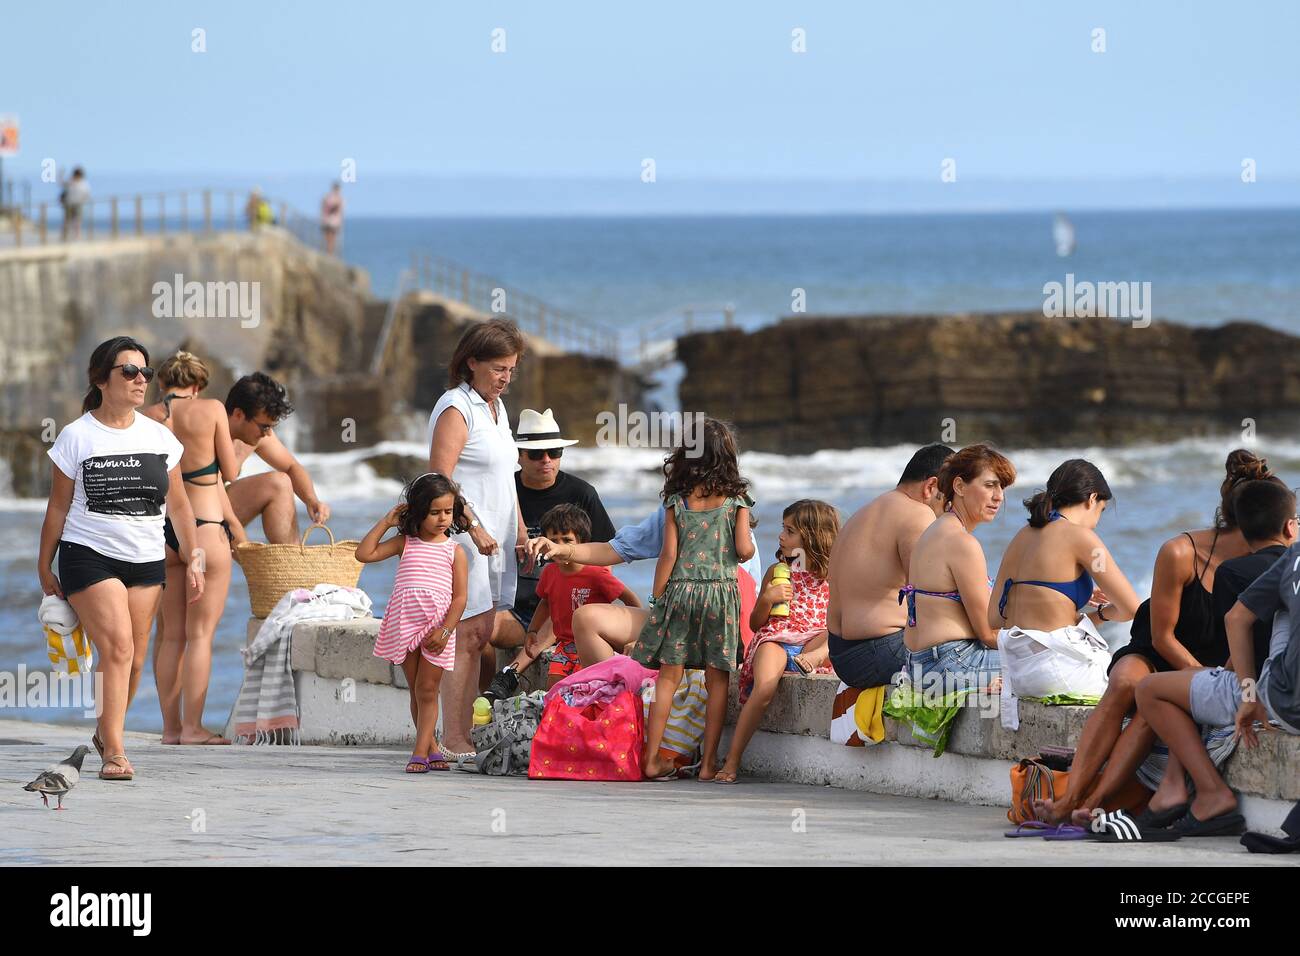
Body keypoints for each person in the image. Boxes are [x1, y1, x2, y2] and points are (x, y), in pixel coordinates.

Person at [1032, 450, 1266, 824]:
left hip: (1207, 666)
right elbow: (1161, 637)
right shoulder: (1180, 551)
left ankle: (1090, 802)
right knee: (1126, 682)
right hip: (1156, 648)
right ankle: (1069, 795)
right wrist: (1198, 679)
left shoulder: (1269, 561)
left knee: (1149, 709)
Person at [37, 336, 205, 781]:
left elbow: (181, 506)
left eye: (145, 372)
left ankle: (104, 730)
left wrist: (195, 555)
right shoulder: (76, 436)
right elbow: (57, 506)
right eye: (128, 371)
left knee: (133, 658)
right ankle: (115, 750)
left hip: (146, 558)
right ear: (101, 379)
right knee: (119, 647)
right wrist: (43, 564)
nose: (140, 380)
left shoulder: (159, 436)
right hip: (88, 555)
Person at [1129, 479, 1298, 835]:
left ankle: (1209, 792)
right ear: (1288, 526)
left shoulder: (1289, 562)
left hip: (1282, 700)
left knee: (1150, 689)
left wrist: (1248, 695)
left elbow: (1237, 619)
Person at [427, 318, 528, 761]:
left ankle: (464, 731)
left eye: (511, 370)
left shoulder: (497, 409)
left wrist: (521, 533)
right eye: (498, 368)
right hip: (466, 540)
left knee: (481, 632)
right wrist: (474, 526)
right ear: (471, 362)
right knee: (465, 634)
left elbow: (507, 480)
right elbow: (438, 480)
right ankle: (454, 738)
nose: (505, 378)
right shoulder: (456, 407)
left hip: (497, 540)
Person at [632, 418, 755, 781]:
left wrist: (657, 599)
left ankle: (652, 759)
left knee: (668, 677)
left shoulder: (677, 499)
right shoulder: (738, 500)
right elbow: (745, 550)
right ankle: (708, 764)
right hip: (720, 593)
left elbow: (668, 555)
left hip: (681, 592)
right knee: (718, 679)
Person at [141, 351, 248, 745]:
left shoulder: (150, 415)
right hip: (204, 527)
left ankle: (170, 729)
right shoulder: (212, 409)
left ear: (163, 382)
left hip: (161, 531)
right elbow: (231, 473)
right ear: (198, 384)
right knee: (200, 635)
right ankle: (193, 728)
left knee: (171, 636)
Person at [481, 407, 615, 693]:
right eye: (536, 454)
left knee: (561, 605)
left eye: (554, 452)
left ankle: (510, 676)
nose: (546, 460)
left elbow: (606, 557)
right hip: (514, 607)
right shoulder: (504, 490)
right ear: (518, 456)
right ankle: (483, 700)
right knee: (478, 632)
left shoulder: (582, 494)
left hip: (569, 606)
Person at [989, 460, 1140, 695]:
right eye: (1101, 510)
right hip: (1057, 672)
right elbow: (1131, 608)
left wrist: (1058, 598)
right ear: (1092, 499)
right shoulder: (1082, 538)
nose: (1097, 521)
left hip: (1017, 675)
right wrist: (1098, 615)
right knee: (1142, 684)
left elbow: (995, 617)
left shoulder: (1020, 537)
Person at [719, 498, 840, 784]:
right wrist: (768, 599)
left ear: (812, 536)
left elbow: (841, 618)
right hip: (777, 638)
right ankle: (733, 760)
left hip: (813, 641)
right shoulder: (777, 571)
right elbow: (755, 623)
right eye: (783, 529)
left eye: (790, 531)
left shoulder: (833, 575)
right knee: (764, 689)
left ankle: (813, 657)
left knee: (836, 631)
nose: (781, 537)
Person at [356, 473, 469, 773]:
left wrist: (445, 631)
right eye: (434, 513)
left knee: (429, 690)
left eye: (447, 512)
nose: (443, 518)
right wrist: (386, 521)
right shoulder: (405, 542)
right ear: (417, 512)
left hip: (437, 628)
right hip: (405, 624)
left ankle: (419, 751)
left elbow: (460, 599)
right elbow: (363, 553)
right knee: (417, 690)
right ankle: (431, 747)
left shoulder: (454, 551)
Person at [826, 443, 953, 689]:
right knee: (987, 658)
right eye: (950, 500)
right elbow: (929, 597)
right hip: (877, 652)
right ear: (931, 487)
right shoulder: (918, 514)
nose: (950, 510)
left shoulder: (864, 513)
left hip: (841, 653)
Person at [901, 443, 1016, 691]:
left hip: (919, 664)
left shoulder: (934, 530)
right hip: (951, 665)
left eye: (1002, 487)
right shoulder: (962, 543)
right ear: (960, 486)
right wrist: (1041, 641)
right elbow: (987, 634)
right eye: (989, 485)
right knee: (1057, 662)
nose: (999, 496)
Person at [492, 505, 640, 696]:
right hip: (564, 645)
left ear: (581, 542)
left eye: (567, 540)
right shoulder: (550, 573)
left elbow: (631, 600)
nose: (559, 546)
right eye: (554, 541)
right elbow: (545, 603)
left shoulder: (597, 573)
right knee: (554, 691)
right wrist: (533, 631)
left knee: (588, 690)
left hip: (590, 644)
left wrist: (637, 635)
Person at [224, 372, 331, 544]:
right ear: (238, 414)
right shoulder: (208, 432)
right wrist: (248, 557)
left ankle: (288, 563)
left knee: (279, 483)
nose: (267, 433)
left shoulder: (256, 436)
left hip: (220, 516)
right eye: (264, 426)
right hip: (190, 521)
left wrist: (312, 500)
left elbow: (291, 466)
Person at [61, 167, 90, 241]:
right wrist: (60, 174)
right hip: (69, 204)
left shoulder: (83, 183)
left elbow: (86, 194)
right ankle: (65, 237)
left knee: (77, 222)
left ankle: (76, 237)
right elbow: (62, 183)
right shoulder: (71, 182)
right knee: (68, 222)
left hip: (78, 204)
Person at [320, 182, 344, 255]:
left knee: (329, 239)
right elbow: (338, 210)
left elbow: (323, 207)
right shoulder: (338, 199)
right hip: (332, 221)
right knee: (331, 239)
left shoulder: (327, 197)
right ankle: (329, 254)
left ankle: (329, 253)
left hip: (328, 221)